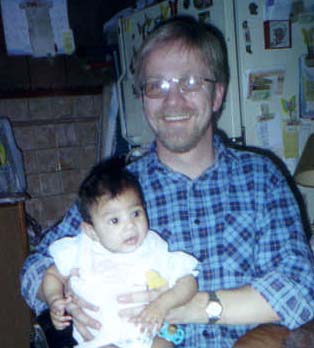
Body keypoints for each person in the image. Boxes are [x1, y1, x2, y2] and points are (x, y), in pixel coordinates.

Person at [21, 16, 314, 348]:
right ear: (143, 100)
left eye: (189, 83)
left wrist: (191, 307)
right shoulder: (116, 189)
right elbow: (37, 264)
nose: (173, 102)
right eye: (156, 86)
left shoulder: (262, 178)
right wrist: (64, 292)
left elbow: (299, 288)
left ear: (216, 95)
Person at [41, 159, 198, 348]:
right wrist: (54, 299)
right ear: (91, 231)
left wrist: (161, 305)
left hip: (145, 338)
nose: (130, 225)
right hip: (97, 341)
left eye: (136, 214)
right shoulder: (80, 249)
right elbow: (51, 274)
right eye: (115, 220)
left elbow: (188, 282)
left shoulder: (153, 247)